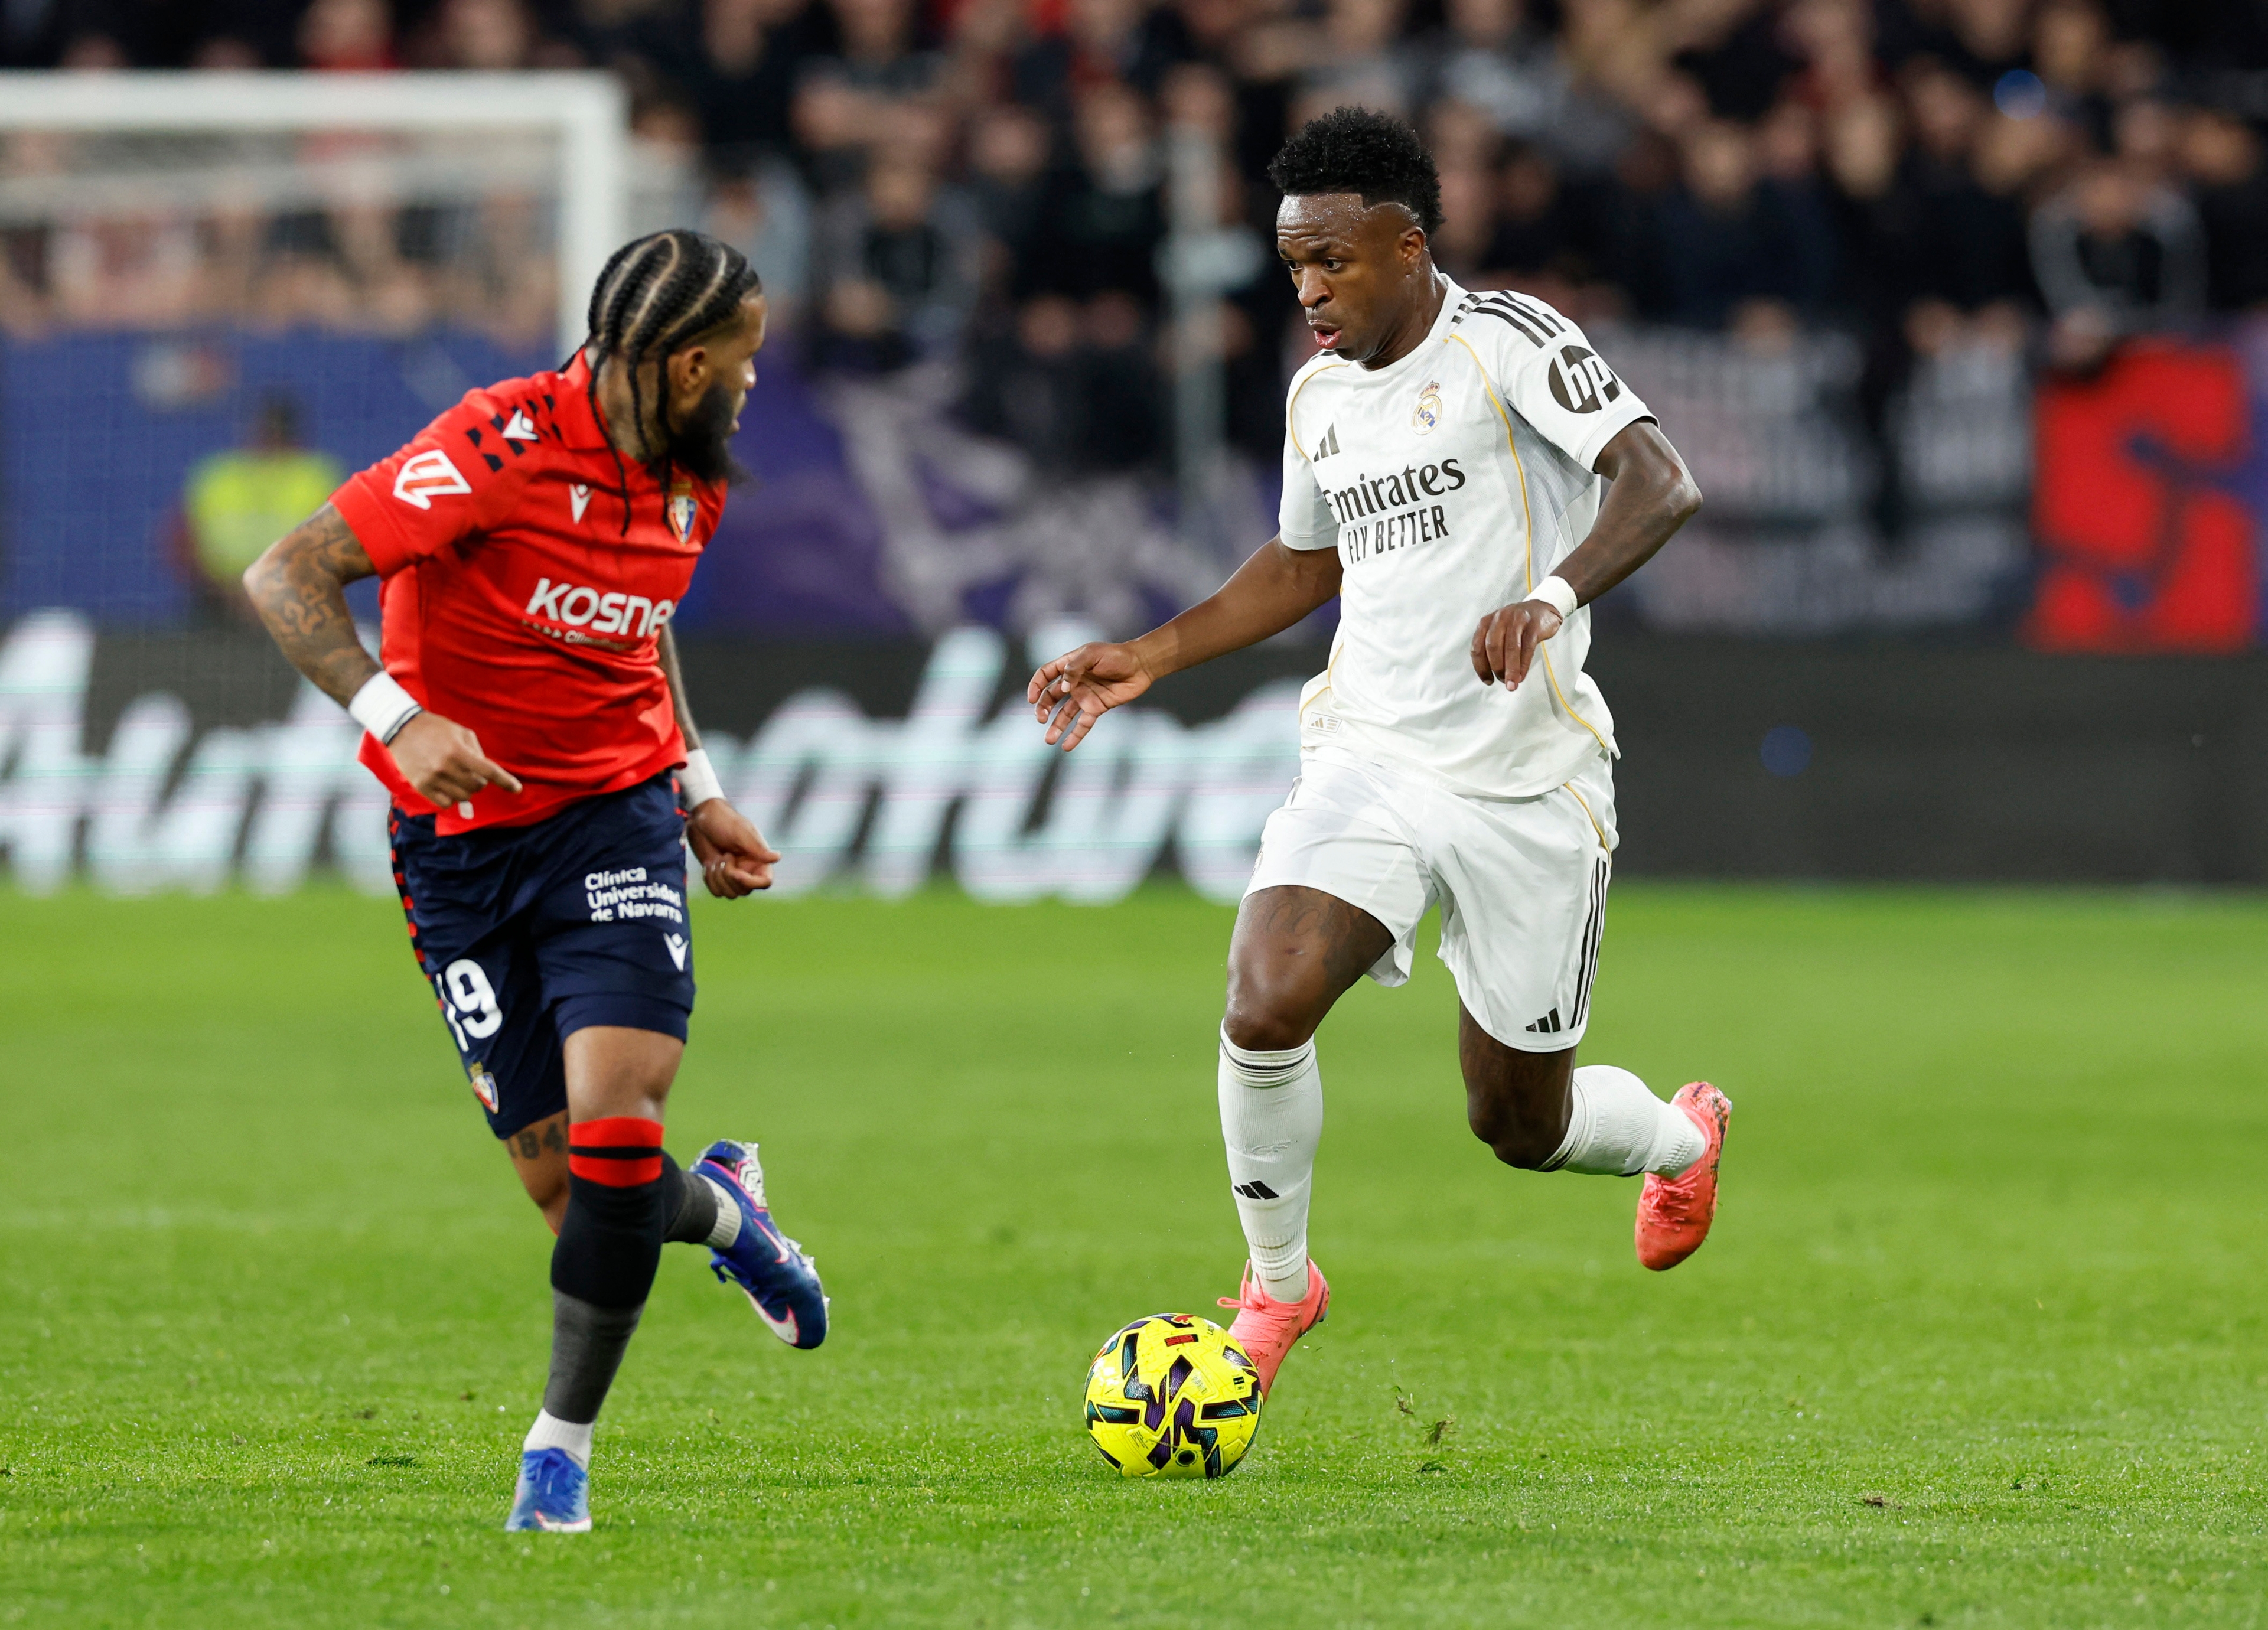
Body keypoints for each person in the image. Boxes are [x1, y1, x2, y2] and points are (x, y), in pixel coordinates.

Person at [1027, 109, 1728, 1397]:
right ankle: (1278, 1288)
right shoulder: (1318, 397)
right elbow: (1305, 562)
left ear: (1409, 247)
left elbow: (1660, 480)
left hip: (1529, 780)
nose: (1309, 291)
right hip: (1370, 753)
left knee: (1522, 1124)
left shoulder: (1509, 343)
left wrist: (1552, 599)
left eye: (1334, 263)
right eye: (1294, 266)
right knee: (1265, 1000)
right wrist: (1151, 653)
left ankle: (1682, 1139)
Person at [241, 229, 827, 1534]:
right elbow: (286, 573)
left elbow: (643, 631)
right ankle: (729, 1219)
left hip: (613, 829)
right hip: (456, 853)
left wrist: (695, 787)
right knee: (568, 1191)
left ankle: (557, 1458)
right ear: (683, 366)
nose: (750, 386)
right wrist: (397, 717)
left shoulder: (695, 480)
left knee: (618, 1134)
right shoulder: (495, 446)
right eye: (741, 364)